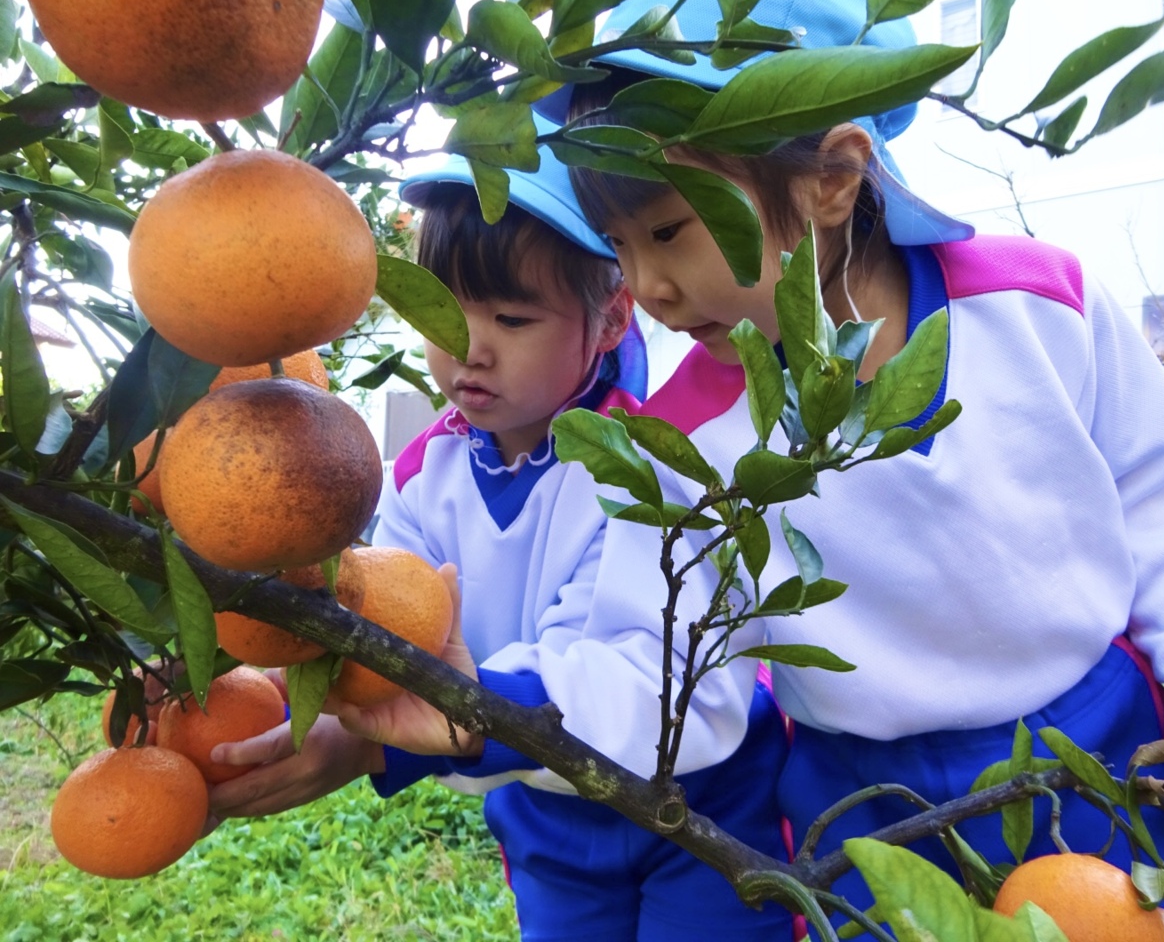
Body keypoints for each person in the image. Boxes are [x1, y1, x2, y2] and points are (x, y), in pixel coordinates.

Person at [323, 0, 1164, 939]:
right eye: (618, 243)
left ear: (833, 176)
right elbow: (664, 669)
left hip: (1094, 744)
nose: (647, 285)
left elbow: (1160, 491)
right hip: (864, 802)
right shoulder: (690, 436)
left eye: (670, 231)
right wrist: (487, 707)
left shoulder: (1037, 305)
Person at [207, 139, 796, 942]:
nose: (470, 349)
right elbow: (381, 623)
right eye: (443, 315)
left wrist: (418, 734)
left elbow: (625, 667)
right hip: (540, 805)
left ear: (611, 317)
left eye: (512, 319)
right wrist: (260, 671)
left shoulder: (647, 468)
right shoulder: (424, 475)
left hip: (702, 804)